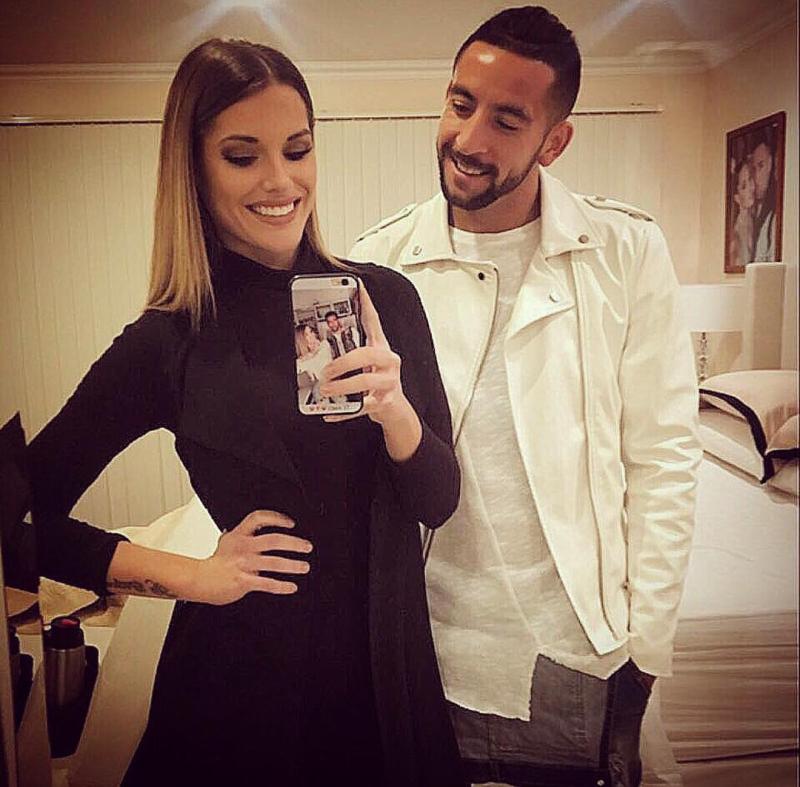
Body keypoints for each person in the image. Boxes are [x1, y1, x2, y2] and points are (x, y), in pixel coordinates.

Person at [28, 38, 465, 787]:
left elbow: (439, 501)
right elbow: (19, 515)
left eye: (298, 149)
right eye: (242, 156)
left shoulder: (384, 300)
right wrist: (187, 575)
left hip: (387, 684)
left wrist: (395, 409)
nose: (281, 181)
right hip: (240, 691)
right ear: (193, 168)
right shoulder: (171, 339)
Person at [350, 7, 701, 787]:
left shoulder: (624, 251)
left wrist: (646, 653)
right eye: (460, 103)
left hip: (568, 649)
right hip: (422, 643)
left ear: (554, 140)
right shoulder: (378, 261)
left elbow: (664, 457)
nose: (469, 138)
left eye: (507, 120)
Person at [750, 129, 778, 262]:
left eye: (761, 166)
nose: (756, 177)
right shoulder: (765, 218)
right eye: (753, 169)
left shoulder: (775, 220)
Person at [295, 322, 334, 404]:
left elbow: (323, 363)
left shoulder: (324, 345)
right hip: (320, 393)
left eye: (311, 332)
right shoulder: (300, 360)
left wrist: (311, 355)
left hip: (332, 385)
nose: (312, 335)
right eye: (307, 334)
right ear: (301, 340)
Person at [729, 155, 756, 267]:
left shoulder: (755, 219)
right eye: (744, 186)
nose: (751, 188)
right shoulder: (739, 230)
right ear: (737, 198)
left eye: (750, 179)